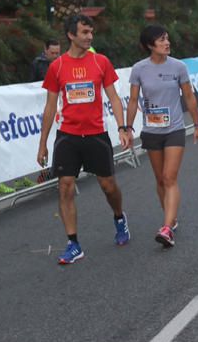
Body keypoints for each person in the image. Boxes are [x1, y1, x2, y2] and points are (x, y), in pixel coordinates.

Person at [37, 14, 131, 265]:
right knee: (65, 186)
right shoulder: (56, 67)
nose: (90, 37)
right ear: (71, 35)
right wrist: (42, 142)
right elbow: (49, 107)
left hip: (95, 135)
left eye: (91, 32)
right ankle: (73, 243)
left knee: (108, 186)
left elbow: (113, 97)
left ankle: (119, 218)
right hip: (67, 135)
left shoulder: (101, 62)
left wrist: (122, 127)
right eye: (85, 33)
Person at [125, 25, 198, 248]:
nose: (167, 43)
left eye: (168, 39)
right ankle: (170, 218)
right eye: (162, 40)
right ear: (150, 45)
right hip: (151, 131)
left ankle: (167, 227)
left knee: (170, 177)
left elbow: (189, 97)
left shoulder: (178, 67)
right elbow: (133, 101)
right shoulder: (139, 69)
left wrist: (197, 126)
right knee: (160, 179)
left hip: (174, 129)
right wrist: (127, 128)